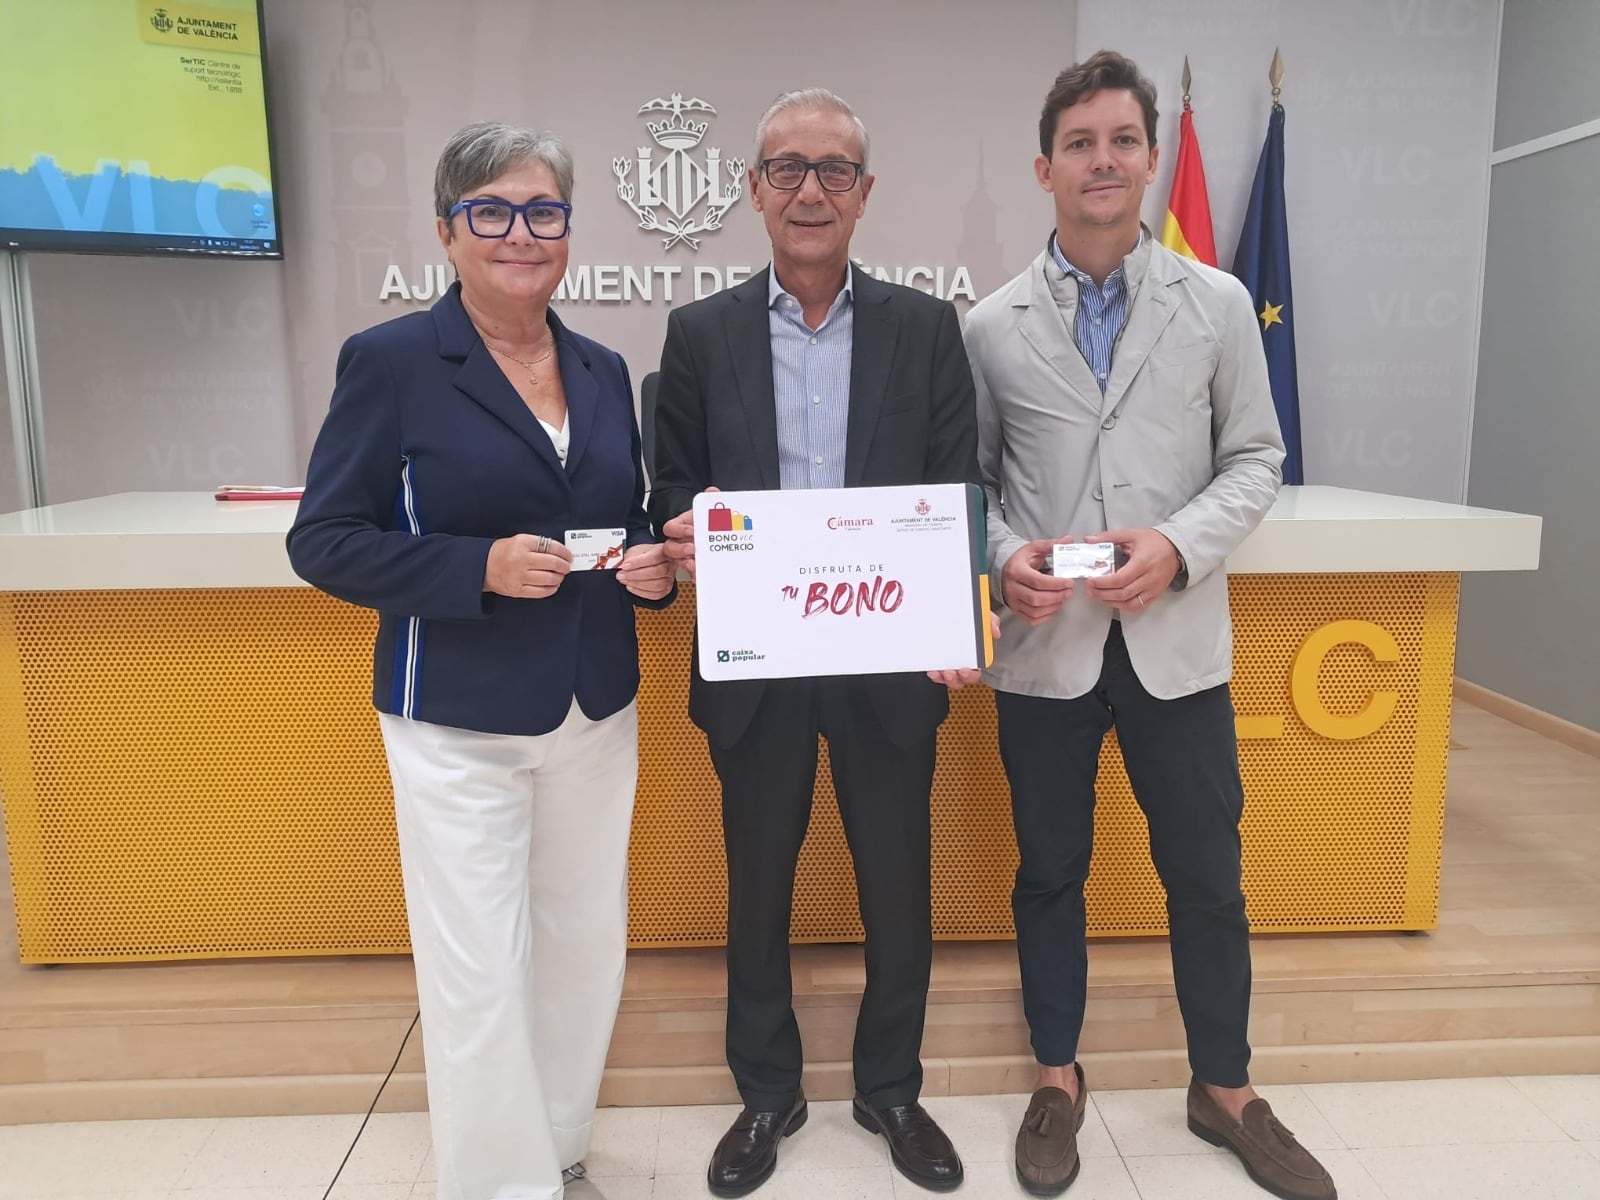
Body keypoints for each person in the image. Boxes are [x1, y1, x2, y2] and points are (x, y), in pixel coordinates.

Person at [962, 52, 1336, 1200]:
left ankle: (1222, 1089)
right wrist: (997, 559)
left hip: (1177, 647)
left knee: (1208, 881)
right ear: (1045, 167)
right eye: (1080, 143)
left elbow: (1257, 460)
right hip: (1046, 655)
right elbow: (968, 487)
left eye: (1123, 140)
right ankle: (1055, 1080)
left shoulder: (1215, 304)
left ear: (1149, 158)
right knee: (1049, 875)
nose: (1103, 161)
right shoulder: (988, 326)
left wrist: (1176, 544)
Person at [287, 122, 675, 1200]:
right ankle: (499, 1187)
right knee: (477, 973)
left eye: (542, 211)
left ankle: (556, 1150)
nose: (521, 232)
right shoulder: (394, 362)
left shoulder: (601, 369)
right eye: (492, 212)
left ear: (566, 230)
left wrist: (653, 567)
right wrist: (477, 569)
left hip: (592, 704)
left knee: (582, 950)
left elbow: (623, 520)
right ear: (446, 231)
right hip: (456, 715)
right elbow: (323, 539)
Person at [649, 89, 979, 1197]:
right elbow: (667, 491)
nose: (808, 190)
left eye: (833, 169)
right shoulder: (696, 336)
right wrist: (679, 529)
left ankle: (890, 1088)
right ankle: (767, 1095)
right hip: (758, 665)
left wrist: (951, 611)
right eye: (785, 168)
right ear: (752, 190)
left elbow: (954, 488)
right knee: (758, 888)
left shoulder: (926, 330)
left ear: (865, 194)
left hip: (888, 662)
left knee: (897, 883)